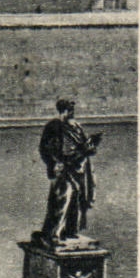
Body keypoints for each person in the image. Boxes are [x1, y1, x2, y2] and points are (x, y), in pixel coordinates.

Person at [38, 98, 102, 243]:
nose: (70, 113)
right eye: (67, 110)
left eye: (71, 110)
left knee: (77, 198)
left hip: (78, 167)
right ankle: (53, 234)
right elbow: (44, 148)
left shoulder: (77, 127)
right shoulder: (54, 126)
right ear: (62, 110)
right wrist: (53, 163)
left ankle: (71, 231)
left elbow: (84, 145)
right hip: (63, 168)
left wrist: (90, 146)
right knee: (63, 198)